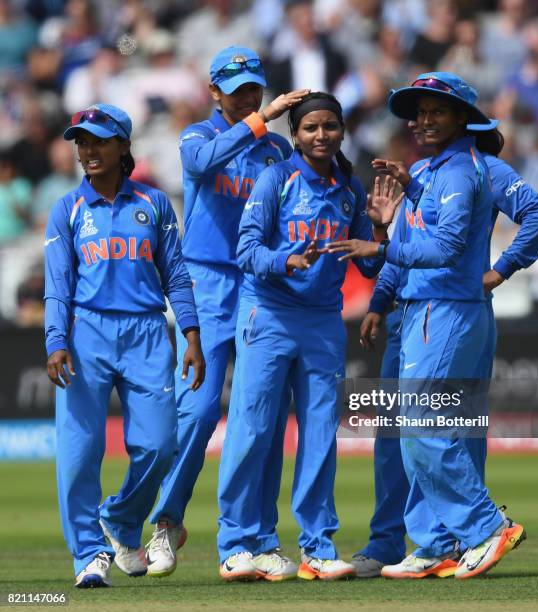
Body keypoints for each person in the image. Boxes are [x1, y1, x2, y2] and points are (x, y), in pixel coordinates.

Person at [328, 72, 528, 579]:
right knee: (431, 427)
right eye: (418, 112)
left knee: (421, 424)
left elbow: (447, 248)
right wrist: (379, 296)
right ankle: (440, 539)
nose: (423, 121)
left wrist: (501, 269)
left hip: (445, 310)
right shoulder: (427, 172)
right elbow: (416, 239)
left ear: (463, 117)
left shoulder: (466, 170)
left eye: (436, 111)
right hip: (425, 310)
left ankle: (484, 528)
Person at [216, 92, 397, 582]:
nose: (322, 136)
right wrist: (285, 260)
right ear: (295, 134)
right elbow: (246, 250)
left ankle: (317, 548)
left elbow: (365, 261)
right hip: (268, 315)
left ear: (342, 131)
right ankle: (237, 543)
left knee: (319, 436)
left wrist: (380, 233)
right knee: (252, 432)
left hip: (321, 322)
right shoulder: (276, 178)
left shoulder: (350, 189)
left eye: (331, 127)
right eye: (312, 128)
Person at [144, 46, 309, 577]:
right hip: (208, 280)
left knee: (260, 411)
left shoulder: (277, 152)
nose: (247, 96)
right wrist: (261, 121)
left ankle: (257, 537)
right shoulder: (199, 135)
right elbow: (198, 165)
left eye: (253, 86)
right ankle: (166, 520)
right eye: (235, 88)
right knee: (196, 410)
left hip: (261, 281)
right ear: (214, 92)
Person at [44, 103, 204, 588]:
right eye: (82, 142)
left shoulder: (153, 204)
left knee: (159, 444)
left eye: (98, 141)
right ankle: (89, 556)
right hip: (85, 331)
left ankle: (118, 517)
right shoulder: (67, 209)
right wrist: (56, 340)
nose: (88, 151)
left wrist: (191, 334)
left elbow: (175, 273)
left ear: (122, 146)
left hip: (148, 333)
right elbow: (58, 283)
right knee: (79, 452)